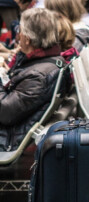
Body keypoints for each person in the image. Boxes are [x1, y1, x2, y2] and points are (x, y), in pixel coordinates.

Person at [0, 8, 66, 151]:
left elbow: (4, 113)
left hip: (7, 138)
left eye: (20, 31)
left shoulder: (38, 76)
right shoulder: (50, 60)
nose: (18, 36)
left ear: (27, 39)